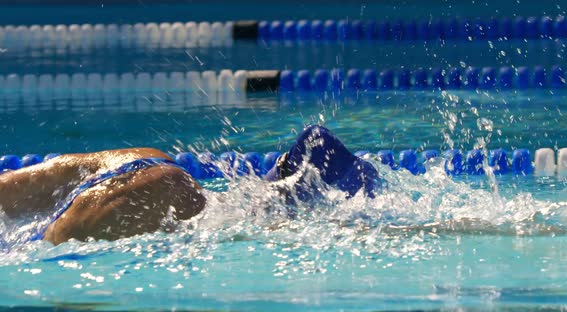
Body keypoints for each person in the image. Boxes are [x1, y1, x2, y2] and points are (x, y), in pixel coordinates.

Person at [0, 125, 378, 245]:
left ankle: (302, 192)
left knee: (240, 222)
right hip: (132, 162)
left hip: (112, 204)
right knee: (230, 210)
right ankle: (291, 180)